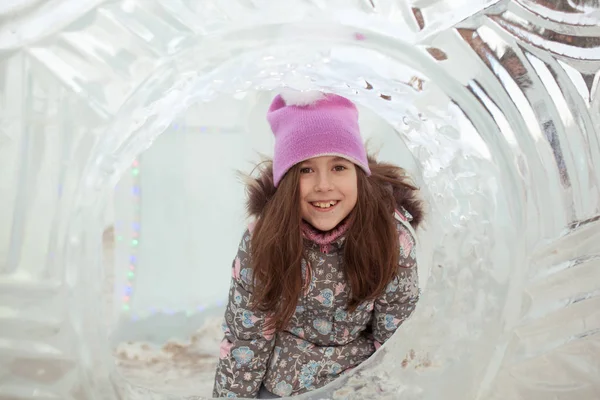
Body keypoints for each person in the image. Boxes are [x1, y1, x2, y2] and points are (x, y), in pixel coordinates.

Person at [213, 90, 424, 398]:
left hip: (357, 382)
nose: (324, 185)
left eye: (339, 167)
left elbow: (395, 337)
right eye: (306, 170)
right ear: (286, 181)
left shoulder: (391, 237)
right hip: (283, 382)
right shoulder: (264, 239)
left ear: (358, 175)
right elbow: (247, 339)